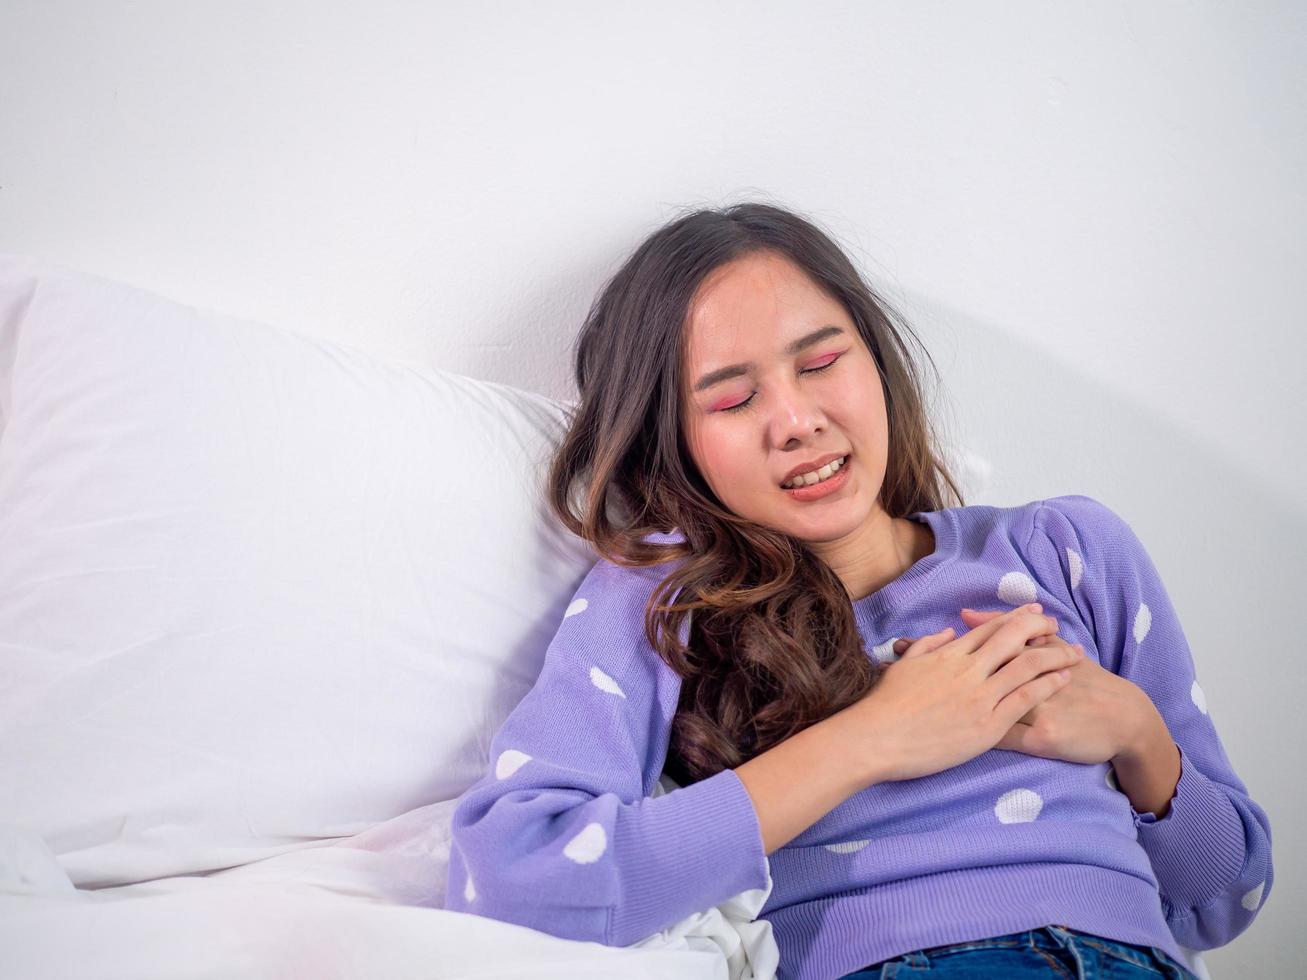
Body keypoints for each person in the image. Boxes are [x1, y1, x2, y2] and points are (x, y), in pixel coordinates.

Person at [443, 203, 1272, 980]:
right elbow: (518, 880)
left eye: (821, 362)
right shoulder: (663, 598)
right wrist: (874, 737)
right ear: (675, 440)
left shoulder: (1067, 546)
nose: (796, 418)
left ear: (877, 362)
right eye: (732, 398)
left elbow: (1222, 898)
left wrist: (1136, 731)